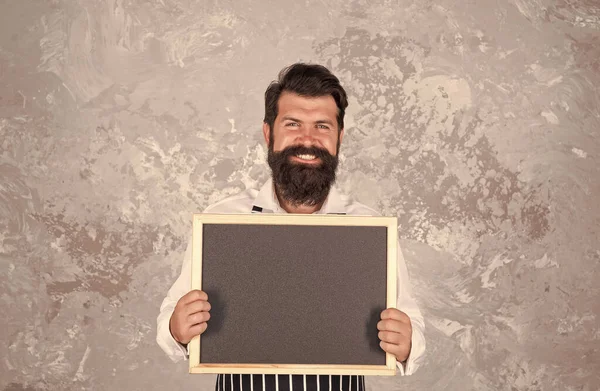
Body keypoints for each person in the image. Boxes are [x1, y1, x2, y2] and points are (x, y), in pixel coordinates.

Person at [156, 63, 425, 391]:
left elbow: (412, 328)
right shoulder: (222, 222)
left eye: (322, 126)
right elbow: (172, 319)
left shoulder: (370, 230)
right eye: (293, 124)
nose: (308, 139)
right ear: (269, 133)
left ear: (339, 137)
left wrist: (407, 342)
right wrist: (176, 328)